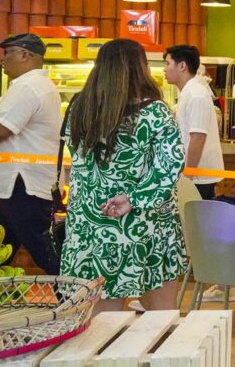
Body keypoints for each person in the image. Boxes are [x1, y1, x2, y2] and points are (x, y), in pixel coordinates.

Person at [61, 39, 186, 312]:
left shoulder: (78, 108)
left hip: (90, 223)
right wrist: (133, 198)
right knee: (160, 312)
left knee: (100, 316)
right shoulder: (155, 112)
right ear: (140, 68)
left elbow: (76, 157)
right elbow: (170, 166)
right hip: (146, 223)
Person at [0, 33, 62, 275]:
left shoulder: (28, 87)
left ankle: (76, 294)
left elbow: (1, 130)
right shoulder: (32, 86)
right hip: (13, 186)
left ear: (25, 55)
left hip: (21, 186)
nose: (2, 59)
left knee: (46, 254)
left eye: (7, 53)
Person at [163, 45, 223, 200]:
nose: (164, 69)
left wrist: (188, 176)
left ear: (182, 66)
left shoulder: (196, 94)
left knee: (195, 215)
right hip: (192, 175)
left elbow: (198, 137)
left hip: (198, 178)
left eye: (168, 64)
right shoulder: (188, 92)